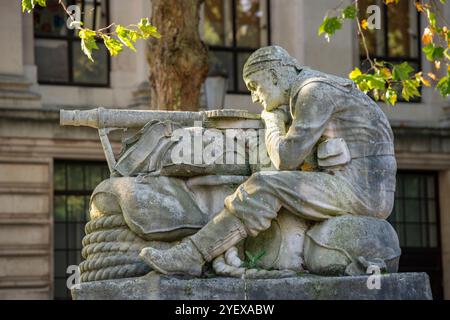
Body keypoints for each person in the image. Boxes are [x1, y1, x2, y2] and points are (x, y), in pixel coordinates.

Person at [140, 45, 397, 276]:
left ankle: (192, 255)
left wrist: (272, 123)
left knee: (264, 184)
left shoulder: (313, 91)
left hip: (361, 192)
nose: (255, 97)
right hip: (357, 187)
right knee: (267, 184)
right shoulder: (316, 89)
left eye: (254, 86)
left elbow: (286, 158)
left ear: (274, 75)